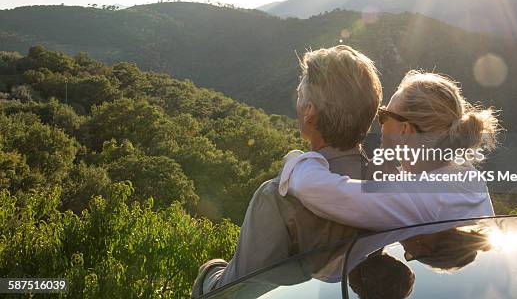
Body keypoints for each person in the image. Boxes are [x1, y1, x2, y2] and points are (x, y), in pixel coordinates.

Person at [192, 45, 392, 297]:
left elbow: (237, 292)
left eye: (300, 94)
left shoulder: (278, 198)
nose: (296, 101)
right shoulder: (392, 182)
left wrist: (210, 271)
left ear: (310, 112)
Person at [279, 70, 501, 231]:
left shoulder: (424, 196)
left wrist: (298, 159)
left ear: (404, 129)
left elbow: (319, 190)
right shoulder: (465, 173)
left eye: (384, 116)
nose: (379, 123)